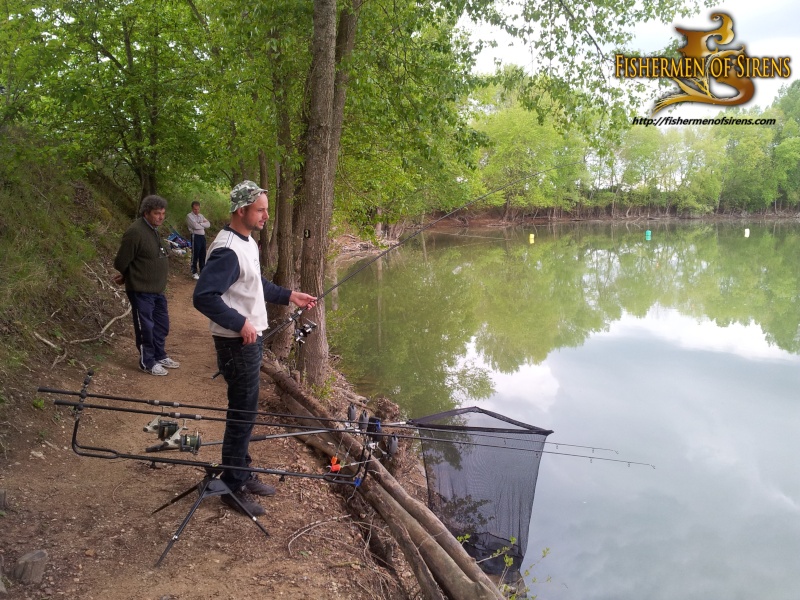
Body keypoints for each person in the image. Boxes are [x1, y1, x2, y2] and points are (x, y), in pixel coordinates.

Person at [193, 180, 316, 516]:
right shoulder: (226, 249)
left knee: (246, 412)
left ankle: (240, 474)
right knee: (241, 413)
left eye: (266, 210)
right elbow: (203, 296)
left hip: (247, 340)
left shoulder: (246, 243)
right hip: (237, 344)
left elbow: (254, 284)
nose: (265, 216)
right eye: (260, 210)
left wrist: (290, 296)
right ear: (241, 210)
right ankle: (232, 488)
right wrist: (240, 323)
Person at [113, 195, 181, 376]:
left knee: (162, 324)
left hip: (157, 290)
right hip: (141, 290)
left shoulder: (153, 229)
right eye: (157, 213)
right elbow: (121, 261)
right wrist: (129, 275)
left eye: (163, 214)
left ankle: (159, 355)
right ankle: (147, 362)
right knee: (146, 327)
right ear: (146, 213)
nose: (161, 217)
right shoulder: (135, 232)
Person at [186, 201, 211, 280]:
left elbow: (208, 224)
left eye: (197, 209)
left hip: (202, 236)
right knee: (195, 254)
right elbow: (195, 226)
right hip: (195, 236)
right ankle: (194, 271)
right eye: (195, 209)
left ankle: (202, 270)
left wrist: (200, 223)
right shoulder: (189, 216)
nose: (196, 211)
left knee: (202, 254)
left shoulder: (201, 216)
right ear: (192, 209)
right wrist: (202, 224)